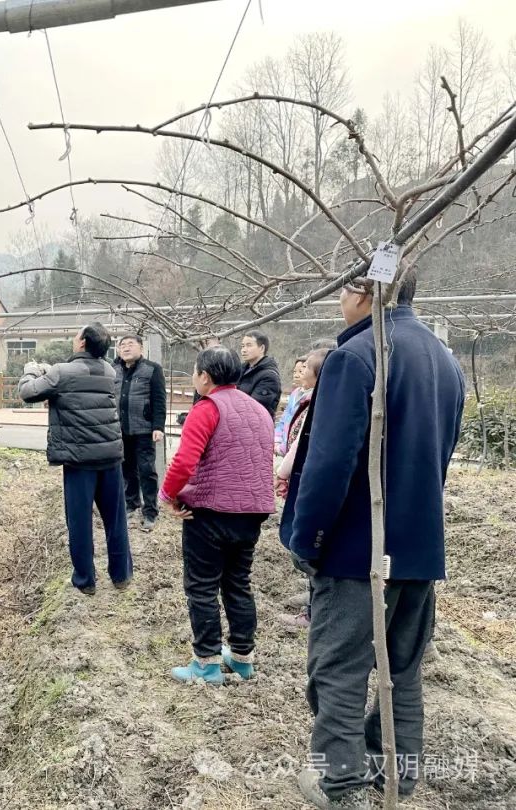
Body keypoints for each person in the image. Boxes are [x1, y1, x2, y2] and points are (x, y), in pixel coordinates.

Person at [280, 275, 464, 808]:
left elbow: (330, 463)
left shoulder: (356, 357)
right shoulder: (444, 360)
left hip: (356, 551)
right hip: (419, 548)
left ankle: (340, 785)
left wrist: (307, 538)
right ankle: (397, 776)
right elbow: (442, 454)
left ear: (363, 292)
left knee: (337, 671)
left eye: (343, 289)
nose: (340, 300)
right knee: (402, 671)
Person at [159, 346, 275, 685]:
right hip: (251, 512)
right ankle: (242, 657)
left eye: (195, 372)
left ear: (205, 377)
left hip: (210, 512)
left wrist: (169, 495)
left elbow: (184, 461)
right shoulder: (259, 410)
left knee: (202, 586)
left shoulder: (207, 408)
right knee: (238, 583)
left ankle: (206, 662)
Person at [18, 323, 132, 595]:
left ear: (82, 343)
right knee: (115, 520)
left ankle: (85, 580)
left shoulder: (62, 372)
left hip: (79, 460)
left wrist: (31, 371)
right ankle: (121, 576)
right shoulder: (108, 370)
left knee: (80, 523)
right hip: (110, 456)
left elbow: (27, 392)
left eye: (76, 335)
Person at [274, 347, 330, 631]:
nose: (300, 370)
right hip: (301, 475)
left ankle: (314, 609)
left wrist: (283, 471)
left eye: (306, 366)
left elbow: (302, 445)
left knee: (309, 542)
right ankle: (312, 597)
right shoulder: (310, 398)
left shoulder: (322, 402)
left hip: (306, 478)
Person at [114, 335, 167, 531]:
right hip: (120, 429)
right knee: (126, 469)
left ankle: (151, 511)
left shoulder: (152, 369)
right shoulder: (114, 369)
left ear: (141, 349)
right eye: (122, 345)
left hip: (144, 429)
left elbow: (159, 400)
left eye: (130, 344)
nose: (126, 348)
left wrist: (158, 427)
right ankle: (131, 503)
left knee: (146, 470)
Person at [237, 330, 282, 418]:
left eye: (249, 345)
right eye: (242, 346)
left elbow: (255, 408)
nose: (244, 350)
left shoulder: (269, 376)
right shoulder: (240, 370)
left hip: (256, 426)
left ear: (262, 348)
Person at [274, 356, 308, 456]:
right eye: (294, 372)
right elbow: (284, 419)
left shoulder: (311, 396)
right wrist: (277, 440)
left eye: (301, 371)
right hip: (282, 445)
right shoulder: (294, 394)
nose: (296, 375)